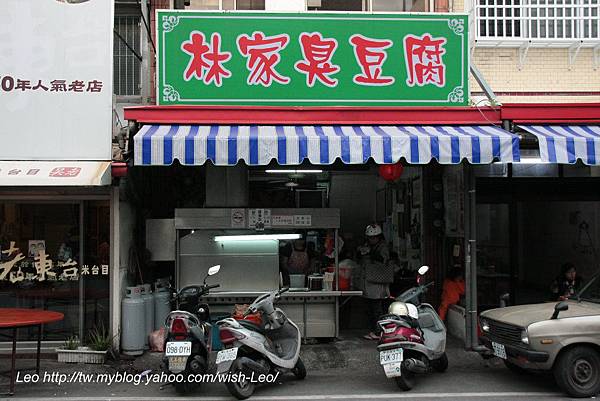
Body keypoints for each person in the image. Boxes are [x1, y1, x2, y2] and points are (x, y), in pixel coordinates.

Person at [359, 223, 392, 340]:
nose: (372, 239)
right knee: (371, 310)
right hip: (369, 283)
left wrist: (370, 253)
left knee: (377, 310)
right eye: (370, 237)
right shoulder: (368, 246)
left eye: (374, 237)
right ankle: (375, 331)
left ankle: (379, 332)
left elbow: (384, 260)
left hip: (378, 285)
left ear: (379, 236)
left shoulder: (382, 247)